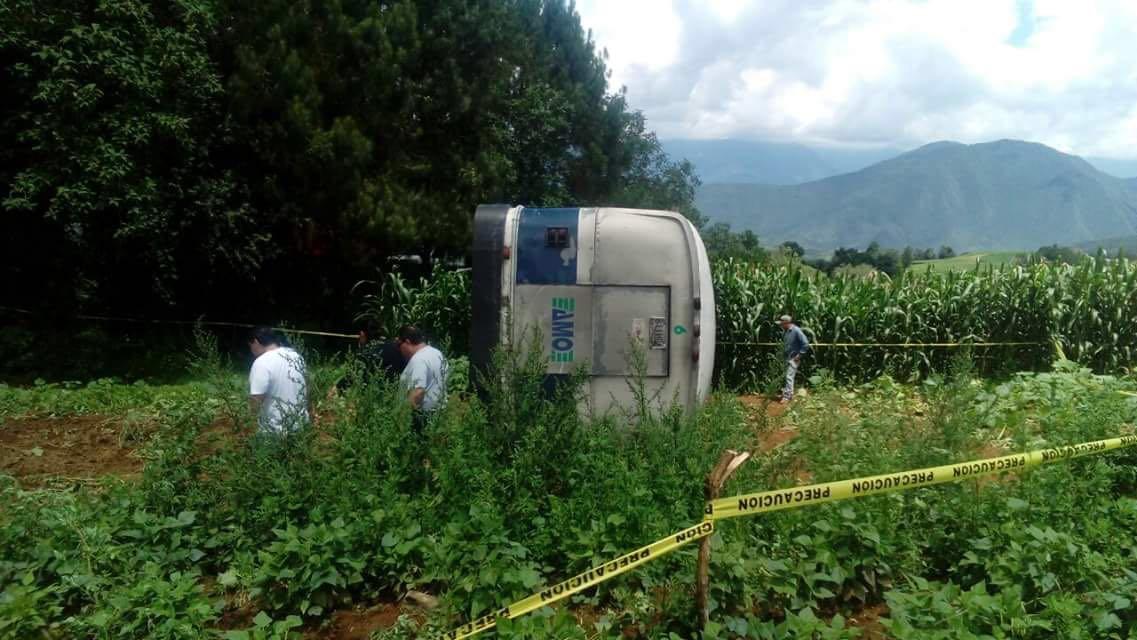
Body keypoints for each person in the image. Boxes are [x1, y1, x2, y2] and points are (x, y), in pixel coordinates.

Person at [248, 327, 311, 434]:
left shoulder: (261, 362)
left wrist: (249, 420)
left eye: (250, 346)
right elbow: (307, 386)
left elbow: (257, 398)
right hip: (301, 425)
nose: (251, 351)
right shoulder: (296, 356)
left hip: (274, 430)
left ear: (256, 342)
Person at [397, 324, 448, 431]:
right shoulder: (437, 353)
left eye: (399, 345)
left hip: (420, 420)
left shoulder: (419, 359)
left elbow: (418, 391)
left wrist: (402, 420)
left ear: (407, 342)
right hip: (439, 415)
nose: (399, 350)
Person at [336, 320, 406, 393]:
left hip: (379, 395)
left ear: (362, 334)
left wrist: (336, 388)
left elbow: (350, 377)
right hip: (401, 391)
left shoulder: (367, 353)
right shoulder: (396, 346)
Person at [778, 315, 810, 404]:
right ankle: (788, 393)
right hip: (787, 357)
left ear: (786, 322)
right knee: (787, 376)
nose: (780, 325)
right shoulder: (786, 331)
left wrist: (799, 355)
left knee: (789, 376)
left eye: (782, 323)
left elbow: (805, 343)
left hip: (794, 358)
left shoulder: (796, 330)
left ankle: (787, 397)